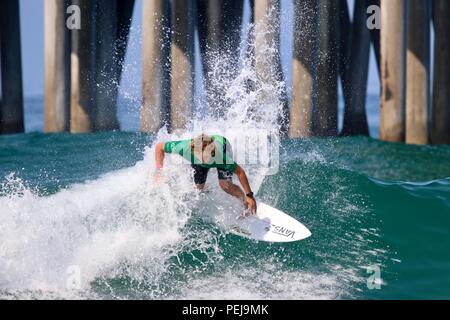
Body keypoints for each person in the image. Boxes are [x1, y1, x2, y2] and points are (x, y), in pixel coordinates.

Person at [154, 134, 257, 214]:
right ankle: (207, 188)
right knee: (198, 188)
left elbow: (240, 172)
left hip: (223, 145)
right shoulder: (184, 148)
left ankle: (244, 201)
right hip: (200, 149)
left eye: (207, 158)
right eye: (202, 159)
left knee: (225, 186)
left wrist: (249, 195)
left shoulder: (220, 157)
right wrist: (159, 171)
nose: (206, 161)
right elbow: (159, 147)